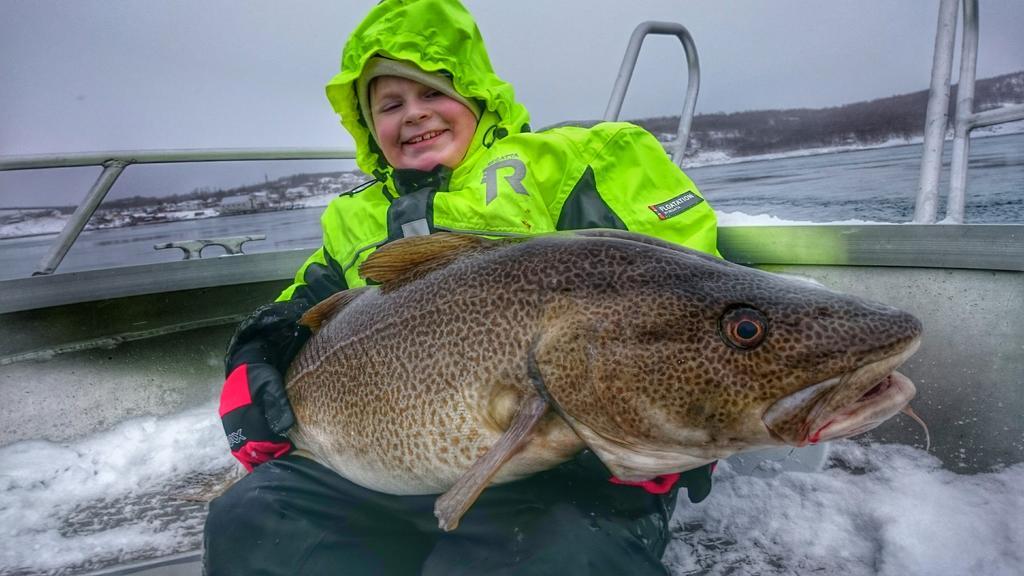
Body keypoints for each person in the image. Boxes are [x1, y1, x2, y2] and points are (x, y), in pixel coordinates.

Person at [204, 0, 720, 573]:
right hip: (384, 463)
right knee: (252, 522)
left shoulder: (574, 162)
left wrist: (685, 404)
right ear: (368, 126)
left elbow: (689, 284)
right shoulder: (351, 218)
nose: (414, 115)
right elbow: (297, 307)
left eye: (433, 93)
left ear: (476, 94)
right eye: (390, 104)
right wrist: (253, 357)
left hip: (563, 468)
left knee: (553, 558)